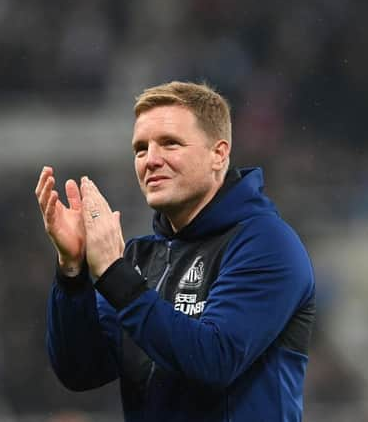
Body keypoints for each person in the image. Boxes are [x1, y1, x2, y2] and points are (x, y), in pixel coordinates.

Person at [35, 81, 316, 422]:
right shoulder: (139, 258)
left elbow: (215, 360)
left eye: (170, 144)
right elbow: (80, 372)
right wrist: (72, 272)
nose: (151, 160)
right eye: (140, 149)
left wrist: (113, 274)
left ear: (219, 154)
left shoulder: (266, 243)